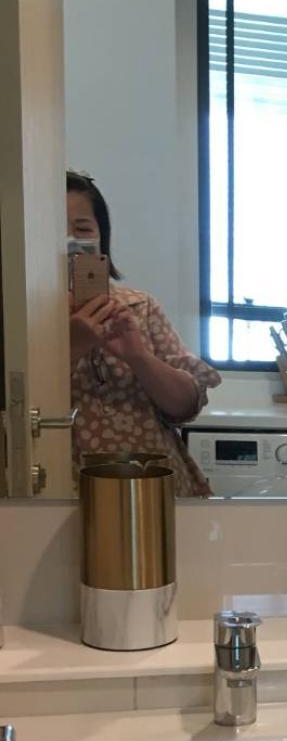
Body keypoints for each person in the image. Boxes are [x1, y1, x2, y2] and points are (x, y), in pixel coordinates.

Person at [67, 171, 220, 497]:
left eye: (82, 229)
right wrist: (70, 347)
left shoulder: (139, 306)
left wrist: (139, 357)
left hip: (157, 488)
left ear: (102, 237)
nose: (70, 242)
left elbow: (186, 406)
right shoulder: (18, 321)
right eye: (53, 230)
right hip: (63, 496)